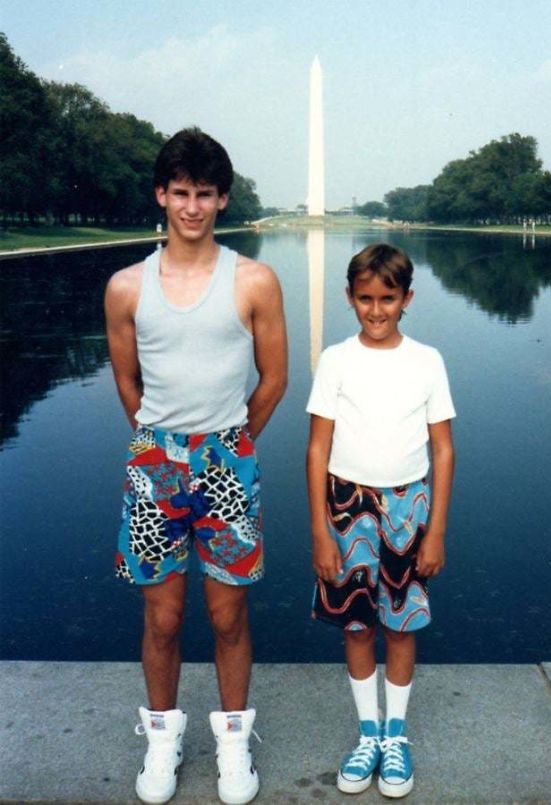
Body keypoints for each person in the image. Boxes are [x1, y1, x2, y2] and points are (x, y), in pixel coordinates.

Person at [105, 127, 287, 805]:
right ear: (161, 194)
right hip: (155, 458)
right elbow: (127, 382)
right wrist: (162, 447)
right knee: (161, 616)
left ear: (222, 199)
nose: (190, 206)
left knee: (229, 614)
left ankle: (234, 742)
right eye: (179, 192)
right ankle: (163, 739)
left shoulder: (254, 280)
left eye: (203, 193)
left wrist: (231, 445)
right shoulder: (126, 287)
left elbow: (274, 378)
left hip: (226, 459)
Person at [306, 243, 455, 798]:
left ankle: (396, 735)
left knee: (400, 622)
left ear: (406, 298)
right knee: (356, 623)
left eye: (387, 299)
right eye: (365, 298)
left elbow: (443, 448)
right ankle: (367, 733)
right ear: (349, 298)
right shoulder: (336, 360)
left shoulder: (427, 361)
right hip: (347, 506)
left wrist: (435, 528)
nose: (376, 310)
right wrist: (321, 529)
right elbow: (317, 448)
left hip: (408, 507)